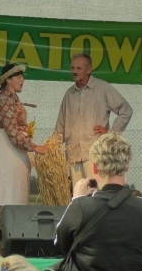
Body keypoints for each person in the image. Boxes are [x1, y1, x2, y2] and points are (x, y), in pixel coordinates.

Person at [51, 133, 142, 271]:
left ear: (95, 167)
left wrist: (76, 200)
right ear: (127, 166)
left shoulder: (80, 207)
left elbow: (61, 245)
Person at [0, 64, 48, 240]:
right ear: (8, 79)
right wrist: (35, 147)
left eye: (23, 77)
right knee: (5, 191)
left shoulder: (14, 100)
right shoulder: (3, 100)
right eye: (18, 77)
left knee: (17, 192)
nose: (23, 80)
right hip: (6, 150)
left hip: (16, 152)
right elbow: (12, 132)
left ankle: (15, 233)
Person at [55, 53, 133, 186]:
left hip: (95, 156)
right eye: (73, 68)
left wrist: (111, 133)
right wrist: (51, 148)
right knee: (79, 195)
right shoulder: (69, 94)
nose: (74, 71)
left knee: (97, 194)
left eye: (79, 68)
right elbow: (60, 128)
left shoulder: (102, 88)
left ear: (89, 69)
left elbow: (126, 111)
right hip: (73, 156)